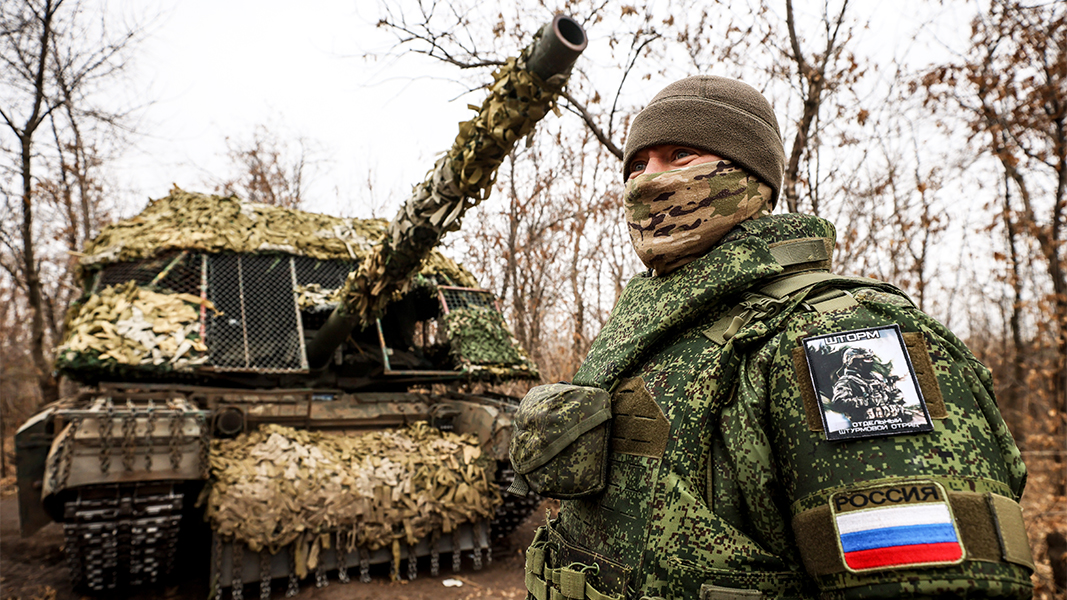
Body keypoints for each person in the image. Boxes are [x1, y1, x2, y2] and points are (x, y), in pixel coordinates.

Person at [514, 76, 1033, 599]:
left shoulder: (839, 333)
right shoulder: (652, 330)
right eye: (638, 164)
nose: (649, 180)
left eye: (679, 154)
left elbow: (930, 583)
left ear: (748, 174)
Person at [829, 347, 907, 423]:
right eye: (866, 359)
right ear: (853, 362)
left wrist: (893, 389)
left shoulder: (876, 379)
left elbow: (896, 399)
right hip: (863, 424)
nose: (869, 362)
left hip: (889, 420)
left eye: (870, 359)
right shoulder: (846, 381)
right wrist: (867, 401)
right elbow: (839, 403)